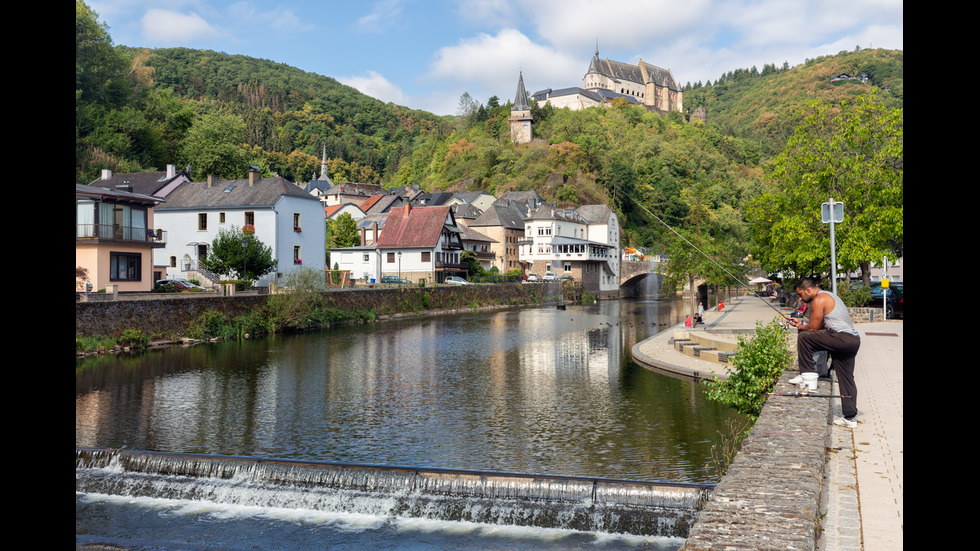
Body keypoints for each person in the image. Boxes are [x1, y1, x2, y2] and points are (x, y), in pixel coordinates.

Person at [787, 277, 861, 428]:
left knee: (804, 338)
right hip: (852, 340)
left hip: (841, 338)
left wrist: (801, 327)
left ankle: (806, 376)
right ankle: (850, 417)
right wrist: (802, 323)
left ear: (808, 290)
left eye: (801, 295)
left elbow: (813, 329)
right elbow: (819, 326)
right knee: (846, 378)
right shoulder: (829, 295)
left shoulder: (818, 300)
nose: (800, 299)